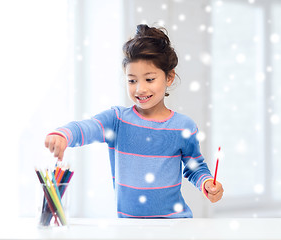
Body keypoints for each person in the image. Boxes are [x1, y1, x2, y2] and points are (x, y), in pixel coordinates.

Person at [45, 24, 224, 218]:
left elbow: (195, 168)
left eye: (149, 79)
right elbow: (85, 128)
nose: (139, 89)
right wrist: (63, 135)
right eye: (132, 80)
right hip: (129, 227)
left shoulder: (184, 126)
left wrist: (207, 183)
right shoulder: (117, 120)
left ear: (169, 77)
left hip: (174, 225)